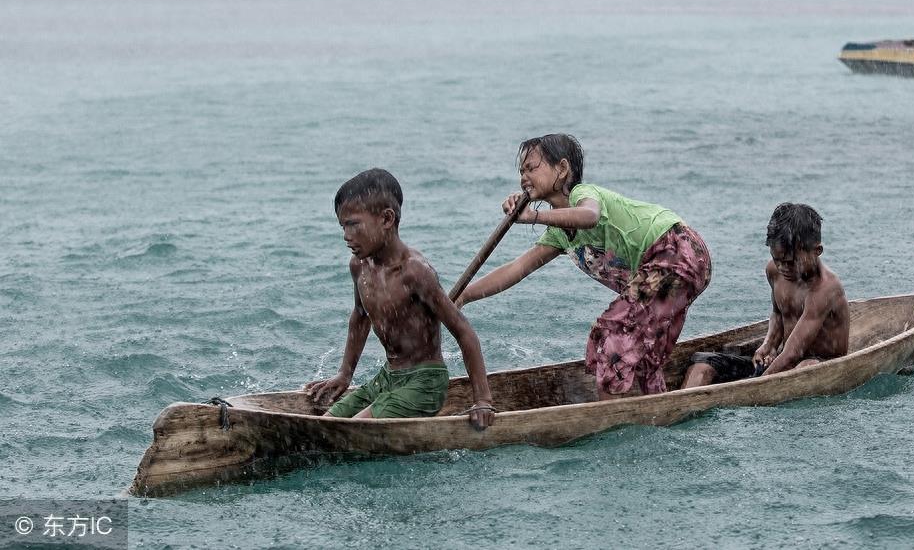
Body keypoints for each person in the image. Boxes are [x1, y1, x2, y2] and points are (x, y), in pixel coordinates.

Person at [456, 134, 712, 399]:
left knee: (610, 334)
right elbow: (517, 268)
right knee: (640, 356)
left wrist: (534, 216)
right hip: (669, 270)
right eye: (521, 171)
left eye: (532, 168)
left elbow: (589, 216)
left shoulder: (583, 194)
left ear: (563, 169)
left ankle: (611, 415)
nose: (523, 177)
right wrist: (464, 296)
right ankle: (655, 407)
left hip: (677, 251)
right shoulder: (558, 234)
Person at [304, 168, 496, 429]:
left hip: (425, 383)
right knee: (325, 424)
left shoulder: (415, 272)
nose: (346, 236)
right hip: (388, 377)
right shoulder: (359, 266)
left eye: (353, 224)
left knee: (351, 431)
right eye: (342, 226)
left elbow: (464, 333)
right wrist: (345, 374)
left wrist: (482, 400)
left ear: (386, 219)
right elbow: (360, 317)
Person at [681, 203, 848, 388]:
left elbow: (794, 353)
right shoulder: (774, 271)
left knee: (805, 366)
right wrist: (769, 345)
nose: (783, 267)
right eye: (777, 260)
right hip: (783, 358)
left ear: (817, 251)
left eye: (791, 262)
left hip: (817, 362)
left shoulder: (825, 289)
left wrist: (757, 383)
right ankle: (678, 404)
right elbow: (779, 313)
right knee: (702, 362)